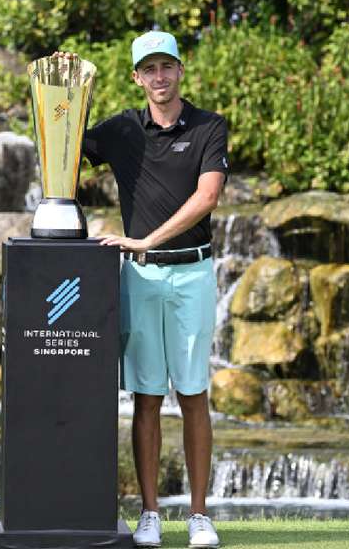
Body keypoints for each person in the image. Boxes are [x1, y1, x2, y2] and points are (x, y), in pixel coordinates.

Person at [62, 30, 228, 548]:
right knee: (148, 396)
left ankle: (199, 515)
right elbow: (60, 138)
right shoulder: (121, 130)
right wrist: (65, 83)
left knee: (194, 393)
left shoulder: (208, 127)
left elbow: (207, 198)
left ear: (181, 70)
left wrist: (145, 239)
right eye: (149, 69)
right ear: (136, 77)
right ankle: (151, 515)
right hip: (140, 277)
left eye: (167, 67)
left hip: (191, 271)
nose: (159, 77)